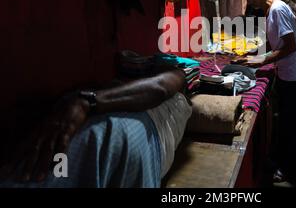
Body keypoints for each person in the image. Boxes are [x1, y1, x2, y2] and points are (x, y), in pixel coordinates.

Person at [0, 65, 190, 187]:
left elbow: (161, 87)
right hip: (124, 138)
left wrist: (85, 102)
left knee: (61, 161)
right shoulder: (115, 91)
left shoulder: (178, 100)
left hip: (131, 136)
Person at [237, 0, 296, 185]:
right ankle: (284, 161)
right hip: (286, 73)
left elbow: (289, 46)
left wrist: (261, 61)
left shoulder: (277, 9)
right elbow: (273, 41)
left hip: (294, 76)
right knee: (285, 122)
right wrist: (253, 52)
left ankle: (291, 170)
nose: (249, 3)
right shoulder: (271, 11)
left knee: (291, 125)